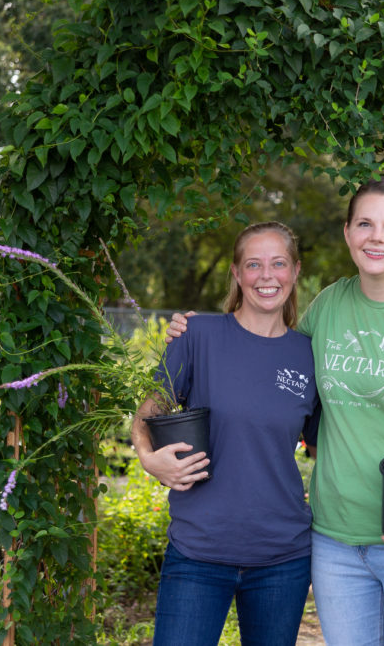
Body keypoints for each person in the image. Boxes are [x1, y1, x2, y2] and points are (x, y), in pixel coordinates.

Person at [169, 177, 384, 645]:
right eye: (365, 224)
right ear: (347, 233)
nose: (376, 237)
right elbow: (267, 358)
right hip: (335, 543)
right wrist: (198, 330)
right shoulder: (328, 307)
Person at [132, 221, 320, 646]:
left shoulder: (308, 354)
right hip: (198, 552)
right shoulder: (198, 335)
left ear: (295, 271)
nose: (266, 276)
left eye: (278, 264)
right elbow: (149, 410)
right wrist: (148, 458)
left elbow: (327, 442)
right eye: (254, 265)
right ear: (236, 273)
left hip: (282, 558)